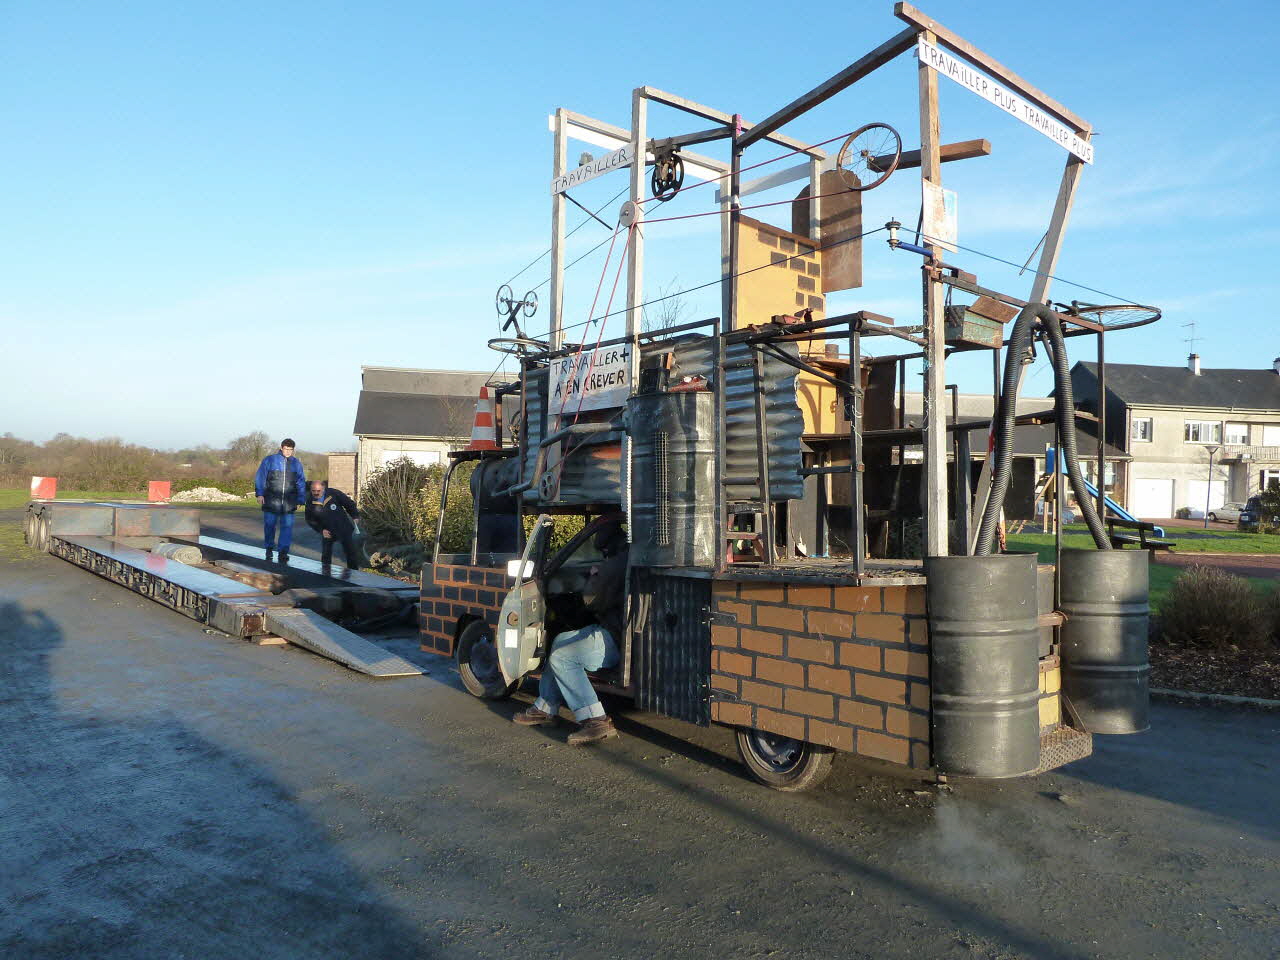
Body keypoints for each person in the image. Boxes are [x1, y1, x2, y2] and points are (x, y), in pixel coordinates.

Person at [513, 515, 628, 746]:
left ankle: (596, 721)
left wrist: (595, 576)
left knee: (563, 657)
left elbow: (591, 601)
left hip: (618, 638)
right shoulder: (624, 556)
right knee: (560, 641)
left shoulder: (615, 564)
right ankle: (545, 708)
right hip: (616, 630)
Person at [254, 438, 306, 563]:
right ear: (281, 447)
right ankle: (269, 548)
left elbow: (301, 482)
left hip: (289, 501)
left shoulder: (296, 464)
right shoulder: (270, 460)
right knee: (269, 526)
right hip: (271, 499)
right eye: (286, 449)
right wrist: (260, 494)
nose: (288, 452)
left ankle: (283, 552)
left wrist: (300, 499)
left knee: (287, 527)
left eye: (290, 450)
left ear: (293, 450)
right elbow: (260, 477)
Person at [304, 479, 362, 568]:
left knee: (350, 553)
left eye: (318, 491)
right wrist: (321, 530)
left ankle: (353, 574)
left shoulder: (334, 493)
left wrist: (355, 516)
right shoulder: (310, 501)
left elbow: (349, 504)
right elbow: (310, 519)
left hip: (343, 527)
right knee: (326, 554)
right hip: (327, 530)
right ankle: (326, 575)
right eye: (313, 491)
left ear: (323, 489)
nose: (316, 493)